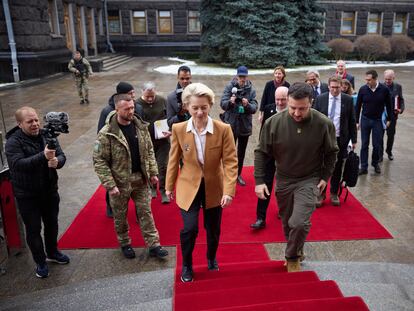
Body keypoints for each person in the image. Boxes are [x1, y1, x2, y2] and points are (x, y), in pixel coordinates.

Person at [254, 82, 338, 272]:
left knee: (298, 223)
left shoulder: (323, 123)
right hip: (283, 179)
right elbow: (261, 152)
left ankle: (291, 257)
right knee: (287, 222)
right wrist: (259, 181)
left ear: (311, 103)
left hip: (309, 179)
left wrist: (325, 176)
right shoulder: (273, 122)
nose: (297, 113)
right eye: (293, 108)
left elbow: (332, 152)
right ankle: (298, 248)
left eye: (302, 108)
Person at [165, 83, 238, 282]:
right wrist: (168, 186)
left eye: (203, 108)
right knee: (190, 228)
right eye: (195, 107)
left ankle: (211, 257)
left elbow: (231, 161)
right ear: (187, 106)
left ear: (210, 106)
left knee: (213, 229)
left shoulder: (223, 129)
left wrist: (228, 191)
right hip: (188, 185)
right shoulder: (179, 129)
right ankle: (187, 265)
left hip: (214, 186)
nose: (199, 112)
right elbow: (173, 159)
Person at [93, 94, 168, 260]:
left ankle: (154, 244)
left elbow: (149, 151)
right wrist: (110, 184)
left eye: (133, 107)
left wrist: (153, 173)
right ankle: (125, 243)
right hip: (119, 184)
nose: (131, 111)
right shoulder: (107, 133)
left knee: (146, 212)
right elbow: (99, 161)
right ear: (116, 109)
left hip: (140, 180)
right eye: (127, 109)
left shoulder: (140, 126)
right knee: (120, 216)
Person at [5, 107, 70, 278]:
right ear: (20, 124)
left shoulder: (46, 134)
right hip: (27, 195)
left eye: (36, 120)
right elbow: (18, 164)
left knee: (52, 224)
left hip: (49, 190)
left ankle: (52, 252)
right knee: (33, 229)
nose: (35, 124)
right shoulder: (13, 142)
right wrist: (43, 156)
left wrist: (57, 161)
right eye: (29, 122)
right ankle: (40, 262)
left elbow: (62, 155)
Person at [97, 81, 143, 218]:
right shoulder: (107, 111)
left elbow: (142, 126)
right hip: (116, 153)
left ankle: (139, 210)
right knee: (114, 181)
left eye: (134, 93)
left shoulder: (137, 107)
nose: (133, 96)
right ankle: (111, 206)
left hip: (134, 148)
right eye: (130, 94)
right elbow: (101, 133)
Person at [314, 76, 357, 206]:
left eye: (337, 87)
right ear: (328, 86)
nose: (334, 90)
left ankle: (333, 193)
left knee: (337, 166)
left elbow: (352, 121)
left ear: (341, 86)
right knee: (322, 166)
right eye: (332, 87)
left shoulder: (347, 100)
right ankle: (321, 194)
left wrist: (353, 140)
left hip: (340, 139)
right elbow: (314, 120)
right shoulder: (321, 99)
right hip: (323, 139)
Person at [250, 86, 288, 229]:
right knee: (265, 185)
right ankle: (260, 218)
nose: (279, 102)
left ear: (288, 98)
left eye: (283, 100)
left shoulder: (293, 111)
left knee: (284, 186)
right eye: (277, 99)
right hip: (270, 154)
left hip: (287, 157)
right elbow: (263, 132)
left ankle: (284, 210)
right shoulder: (269, 109)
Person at [220, 66, 258, 186]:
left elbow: (254, 108)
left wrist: (247, 105)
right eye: (240, 76)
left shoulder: (251, 90)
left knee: (241, 152)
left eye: (244, 77)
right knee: (228, 152)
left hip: (244, 126)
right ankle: (227, 174)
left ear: (247, 77)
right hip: (231, 124)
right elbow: (222, 104)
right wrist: (230, 102)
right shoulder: (230, 87)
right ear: (237, 76)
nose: (242, 79)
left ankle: (238, 174)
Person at [136, 82, 171, 203]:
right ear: (142, 93)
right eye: (147, 97)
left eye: (152, 96)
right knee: (150, 167)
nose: (150, 99)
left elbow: (171, 117)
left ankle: (163, 190)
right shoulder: (136, 104)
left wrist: (170, 129)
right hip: (146, 142)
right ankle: (152, 188)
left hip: (163, 140)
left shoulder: (162, 100)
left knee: (162, 166)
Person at [356, 70, 393, 175]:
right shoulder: (363, 89)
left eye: (369, 80)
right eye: (366, 79)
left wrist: (389, 119)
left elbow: (389, 105)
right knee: (364, 145)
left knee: (377, 145)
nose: (367, 81)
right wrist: (356, 121)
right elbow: (358, 106)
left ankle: (375, 163)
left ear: (375, 79)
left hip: (378, 121)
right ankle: (363, 167)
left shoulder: (384, 90)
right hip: (365, 119)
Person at [383, 69, 405, 161]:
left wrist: (401, 109)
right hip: (382, 115)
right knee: (379, 135)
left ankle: (389, 151)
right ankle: (379, 154)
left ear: (393, 78)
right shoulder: (380, 86)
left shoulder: (398, 87)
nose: (388, 81)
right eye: (386, 79)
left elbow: (401, 99)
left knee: (391, 135)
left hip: (392, 115)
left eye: (390, 79)